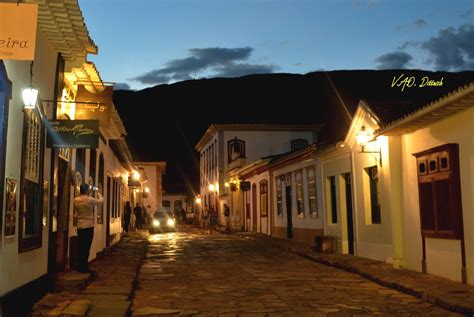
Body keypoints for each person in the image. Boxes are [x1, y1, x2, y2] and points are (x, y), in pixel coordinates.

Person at [74, 183, 104, 273]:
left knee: (80, 246)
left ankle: (80, 266)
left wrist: (88, 192)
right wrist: (99, 193)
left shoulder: (75, 200)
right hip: (88, 225)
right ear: (87, 190)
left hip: (80, 225)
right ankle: (84, 266)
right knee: (86, 247)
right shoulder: (90, 200)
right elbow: (101, 201)